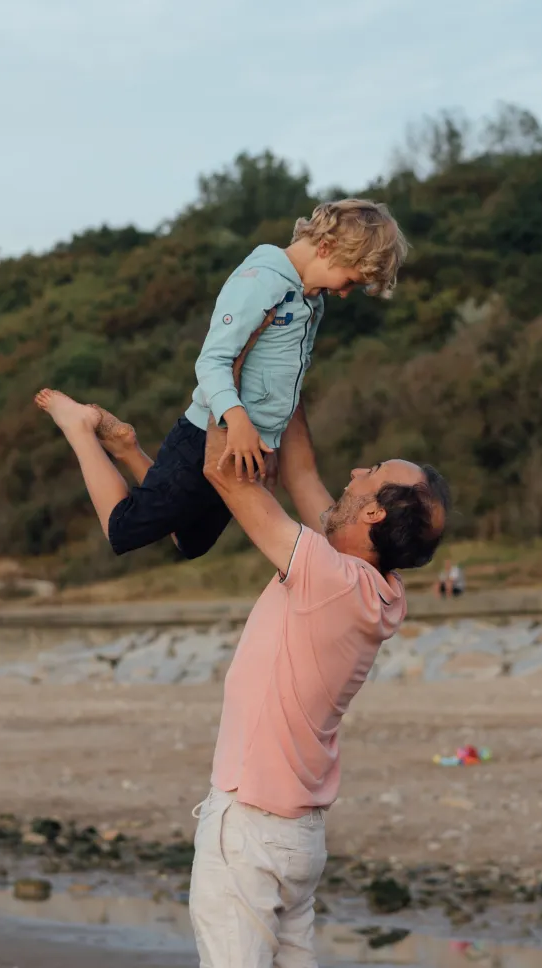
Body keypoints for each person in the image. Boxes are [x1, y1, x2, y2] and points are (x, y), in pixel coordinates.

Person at [187, 405, 450, 968]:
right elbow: (301, 472)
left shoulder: (328, 576)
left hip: (254, 826)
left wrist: (225, 383)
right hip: (297, 838)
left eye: (369, 473)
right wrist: (289, 369)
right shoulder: (380, 588)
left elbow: (221, 471)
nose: (354, 472)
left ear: (373, 511)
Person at [35, 200, 408, 562]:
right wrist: (239, 421)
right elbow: (212, 362)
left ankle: (128, 447)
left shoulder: (312, 301)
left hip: (250, 445)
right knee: (123, 530)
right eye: (348, 281)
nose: (343, 293)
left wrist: (270, 440)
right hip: (202, 436)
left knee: (193, 541)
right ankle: (79, 426)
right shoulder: (259, 281)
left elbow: (291, 375)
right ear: (325, 248)